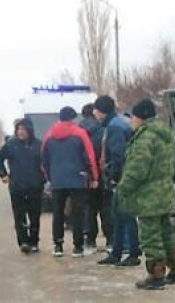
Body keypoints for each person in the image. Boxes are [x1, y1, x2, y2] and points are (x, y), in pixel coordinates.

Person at [116, 98, 175, 290]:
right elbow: (174, 165)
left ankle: (156, 275)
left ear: (141, 117)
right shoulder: (165, 134)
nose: (132, 120)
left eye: (133, 117)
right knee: (165, 233)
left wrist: (123, 188)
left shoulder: (146, 137)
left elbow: (137, 169)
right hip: (164, 192)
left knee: (150, 235)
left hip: (148, 196)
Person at [42, 106, 100, 258]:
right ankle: (78, 247)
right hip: (77, 179)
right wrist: (94, 177)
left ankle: (58, 245)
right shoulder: (80, 133)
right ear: (73, 118)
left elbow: (44, 160)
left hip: (57, 180)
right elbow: (89, 156)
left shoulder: (49, 135)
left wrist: (50, 177)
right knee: (77, 213)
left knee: (58, 213)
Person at [93, 95, 142, 268]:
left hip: (123, 178)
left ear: (101, 111)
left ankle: (133, 253)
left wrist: (113, 177)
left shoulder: (114, 127)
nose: (94, 113)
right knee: (118, 216)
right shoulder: (119, 123)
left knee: (126, 216)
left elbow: (118, 155)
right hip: (125, 176)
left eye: (96, 110)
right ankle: (117, 252)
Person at [0, 118, 45, 254]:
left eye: (23, 129)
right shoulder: (11, 145)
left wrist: (44, 178)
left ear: (30, 130)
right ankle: (23, 242)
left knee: (34, 216)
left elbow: (46, 162)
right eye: (18, 129)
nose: (21, 132)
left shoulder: (38, 145)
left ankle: (34, 242)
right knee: (19, 216)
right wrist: (3, 174)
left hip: (35, 186)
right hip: (17, 186)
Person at [79, 102, 108, 254]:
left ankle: (89, 241)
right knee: (105, 208)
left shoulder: (77, 131)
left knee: (88, 209)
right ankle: (110, 240)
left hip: (83, 176)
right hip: (102, 175)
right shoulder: (103, 130)